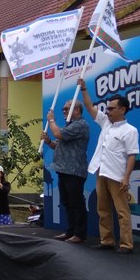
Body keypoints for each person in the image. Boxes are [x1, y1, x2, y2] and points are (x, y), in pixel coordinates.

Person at [78, 78, 140, 254]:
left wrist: (126, 177)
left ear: (123, 109)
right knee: (102, 209)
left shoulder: (130, 130)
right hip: (101, 171)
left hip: (117, 175)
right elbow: (90, 108)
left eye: (112, 108)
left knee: (122, 210)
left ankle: (126, 244)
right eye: (108, 108)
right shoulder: (105, 122)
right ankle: (107, 241)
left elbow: (131, 156)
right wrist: (83, 89)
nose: (108, 111)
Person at [41, 100, 90, 243]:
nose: (63, 111)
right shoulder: (70, 126)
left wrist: (51, 120)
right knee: (67, 202)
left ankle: (80, 234)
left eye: (66, 109)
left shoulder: (80, 125)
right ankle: (71, 231)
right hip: (63, 170)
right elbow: (58, 145)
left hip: (74, 171)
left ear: (77, 110)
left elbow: (58, 134)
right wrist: (49, 141)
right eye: (63, 109)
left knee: (76, 203)